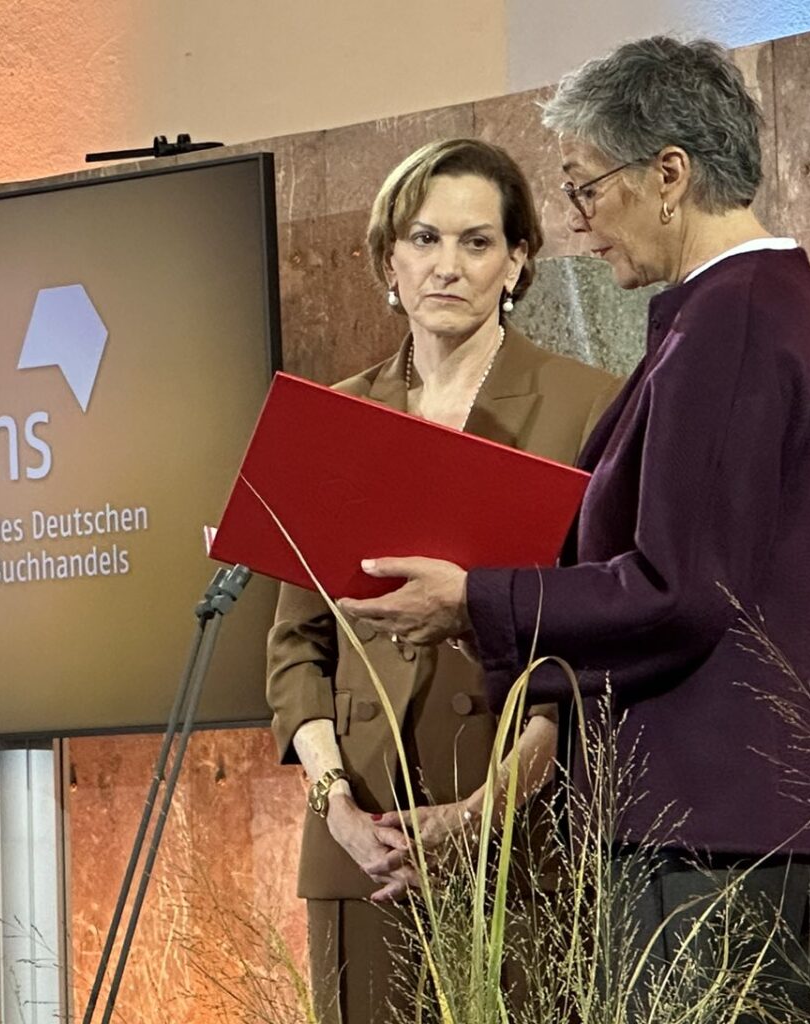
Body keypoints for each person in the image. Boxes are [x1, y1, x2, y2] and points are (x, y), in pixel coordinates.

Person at [338, 37, 810, 1022]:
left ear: (669, 174)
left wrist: (474, 598)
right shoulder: (747, 310)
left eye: (586, 189)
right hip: (724, 819)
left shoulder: (735, 322)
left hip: (709, 824)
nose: (579, 224)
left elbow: (678, 589)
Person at [265, 137, 620, 1024]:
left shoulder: (588, 404)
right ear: (390, 258)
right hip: (364, 845)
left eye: (476, 242)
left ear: (518, 259)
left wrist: (487, 810)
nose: (446, 267)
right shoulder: (334, 418)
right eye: (424, 240)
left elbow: (600, 634)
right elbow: (294, 646)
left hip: (519, 843)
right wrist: (336, 806)